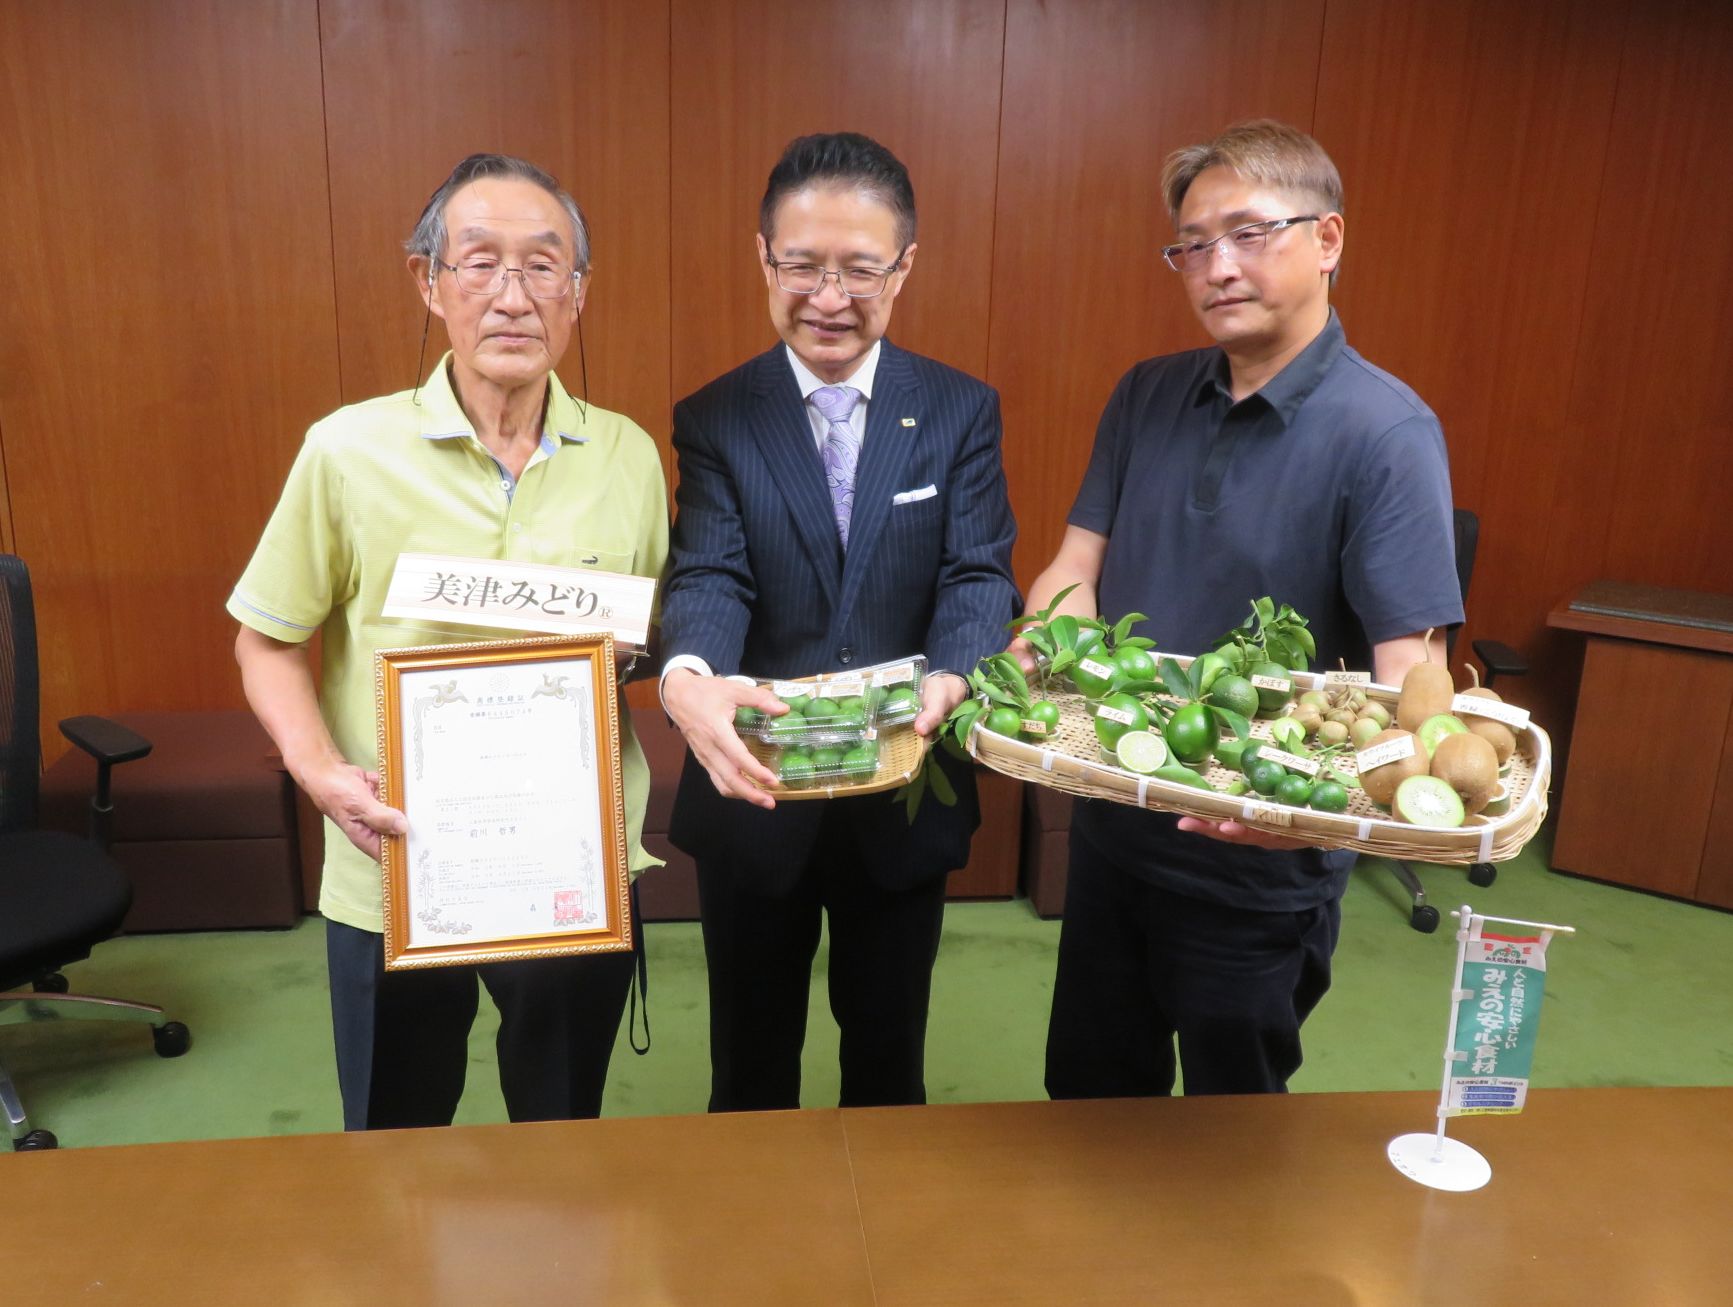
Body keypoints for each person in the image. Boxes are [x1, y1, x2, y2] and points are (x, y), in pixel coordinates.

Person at [1019, 120, 1463, 1099]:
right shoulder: (1144, 394)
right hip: (1112, 818)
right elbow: (1068, 567)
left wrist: (1318, 808)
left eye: (1250, 233)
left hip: (1258, 858)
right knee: (1089, 1096)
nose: (1216, 265)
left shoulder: (1385, 432)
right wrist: (1055, 645)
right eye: (1192, 243)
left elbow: (1408, 677)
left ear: (1327, 240)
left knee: (1231, 1125)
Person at [228, 153, 668, 1130]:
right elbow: (265, 641)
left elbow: (637, 639)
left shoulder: (630, 456)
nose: (511, 295)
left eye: (542, 266)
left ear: (578, 292)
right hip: (392, 861)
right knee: (393, 1132)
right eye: (478, 263)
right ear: (428, 282)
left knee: (560, 1131)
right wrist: (320, 770)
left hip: (571, 868)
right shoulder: (345, 450)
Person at [659, 132, 1018, 1112]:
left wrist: (956, 667)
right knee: (750, 1062)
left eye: (859, 268)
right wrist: (689, 672)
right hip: (758, 789)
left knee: (888, 1056)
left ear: (903, 267)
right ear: (761, 259)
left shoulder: (957, 409)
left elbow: (978, 573)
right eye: (801, 266)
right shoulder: (716, 416)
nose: (828, 295)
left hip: (904, 782)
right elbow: (711, 572)